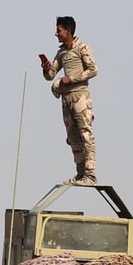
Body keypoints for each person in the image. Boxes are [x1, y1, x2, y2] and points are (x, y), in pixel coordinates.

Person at [41, 15, 98, 186]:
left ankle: (90, 175)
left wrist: (71, 79)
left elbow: (93, 70)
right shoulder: (62, 53)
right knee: (73, 138)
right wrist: (46, 68)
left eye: (59, 30)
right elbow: (51, 75)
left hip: (80, 96)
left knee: (85, 134)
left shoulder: (82, 48)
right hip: (66, 99)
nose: (56, 34)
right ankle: (80, 174)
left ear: (68, 31)